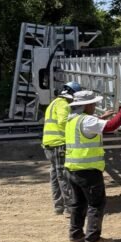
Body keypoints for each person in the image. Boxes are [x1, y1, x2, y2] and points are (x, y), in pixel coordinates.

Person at [64, 89, 121, 242]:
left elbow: (89, 128)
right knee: (96, 204)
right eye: (93, 103)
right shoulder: (87, 120)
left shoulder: (73, 120)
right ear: (86, 105)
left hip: (72, 169)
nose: (95, 106)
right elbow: (111, 126)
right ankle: (93, 240)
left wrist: (100, 119)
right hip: (88, 171)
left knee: (78, 204)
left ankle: (76, 236)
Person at [41, 82, 82, 214]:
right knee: (63, 176)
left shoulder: (54, 103)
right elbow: (64, 122)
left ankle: (58, 206)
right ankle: (70, 208)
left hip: (49, 144)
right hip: (58, 144)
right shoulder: (63, 104)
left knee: (55, 175)